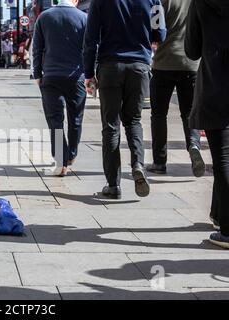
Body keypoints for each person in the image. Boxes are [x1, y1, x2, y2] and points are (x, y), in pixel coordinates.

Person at [83, 0, 167, 199]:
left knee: (111, 126)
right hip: (139, 66)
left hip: (110, 66)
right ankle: (138, 164)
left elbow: (90, 39)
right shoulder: (153, 0)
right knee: (134, 120)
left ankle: (113, 185)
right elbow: (161, 33)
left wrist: (88, 73)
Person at [185, 0, 229, 248]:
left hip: (216, 85)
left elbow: (191, 49)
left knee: (223, 159)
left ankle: (228, 230)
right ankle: (219, 214)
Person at [147, 0, 205, 177]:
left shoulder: (161, 1)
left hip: (164, 62)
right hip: (192, 64)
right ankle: (194, 145)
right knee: (189, 112)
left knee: (158, 114)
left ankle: (159, 161)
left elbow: (155, 31)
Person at [33, 0, 88, 177]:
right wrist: (90, 74)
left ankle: (60, 161)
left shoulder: (44, 17)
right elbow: (90, 48)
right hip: (76, 77)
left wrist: (37, 73)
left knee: (54, 120)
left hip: (51, 76)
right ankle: (71, 154)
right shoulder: (84, 18)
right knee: (76, 118)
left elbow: (37, 48)